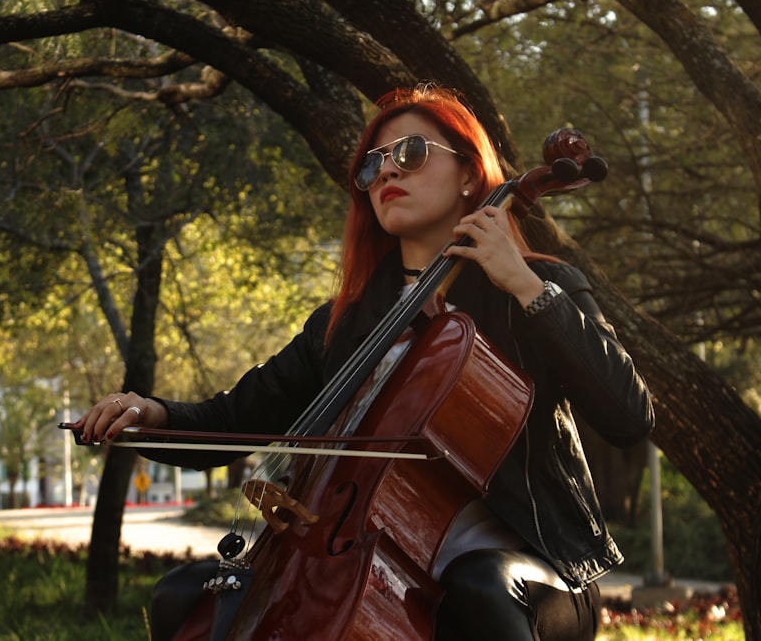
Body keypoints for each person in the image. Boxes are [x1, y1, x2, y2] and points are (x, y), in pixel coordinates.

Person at [64, 85, 654, 641]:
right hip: (364, 554)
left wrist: (523, 285)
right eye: (372, 165)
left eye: (412, 152)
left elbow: (629, 417)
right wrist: (150, 413)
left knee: (478, 588)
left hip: (533, 568)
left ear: (472, 175)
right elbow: (233, 418)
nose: (388, 171)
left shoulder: (542, 287)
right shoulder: (342, 323)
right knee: (182, 596)